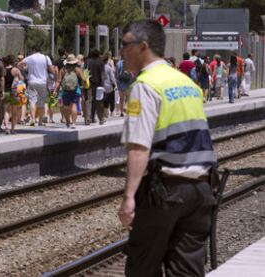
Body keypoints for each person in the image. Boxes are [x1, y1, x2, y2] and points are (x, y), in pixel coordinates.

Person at [118, 19, 217, 277]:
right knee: (186, 270)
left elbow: (139, 147)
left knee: (143, 266)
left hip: (166, 191)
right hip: (201, 191)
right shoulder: (186, 83)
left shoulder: (146, 86)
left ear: (143, 46)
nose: (122, 51)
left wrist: (129, 197)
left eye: (125, 44)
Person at [18, 45, 55, 126]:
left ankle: (33, 119)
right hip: (43, 82)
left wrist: (24, 69)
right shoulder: (46, 57)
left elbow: (19, 64)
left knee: (32, 101)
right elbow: (51, 69)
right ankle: (40, 121)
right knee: (41, 102)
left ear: (33, 50)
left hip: (32, 81)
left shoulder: (30, 58)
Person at [55, 54, 85, 129]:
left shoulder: (63, 69)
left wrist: (56, 90)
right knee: (74, 105)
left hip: (65, 91)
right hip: (76, 90)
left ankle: (68, 121)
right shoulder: (77, 69)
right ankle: (74, 123)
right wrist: (82, 87)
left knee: (65, 106)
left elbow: (58, 81)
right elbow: (83, 79)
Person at [3, 55, 26, 134]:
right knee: (14, 111)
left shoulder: (4, 70)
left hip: (6, 91)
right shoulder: (16, 70)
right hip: (14, 92)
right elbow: (22, 79)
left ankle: (6, 127)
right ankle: (12, 129)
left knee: (6, 110)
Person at [85, 49, 105, 124]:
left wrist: (86, 82)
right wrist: (103, 84)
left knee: (90, 101)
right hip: (98, 84)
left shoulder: (88, 62)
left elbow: (86, 72)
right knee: (99, 101)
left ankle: (90, 118)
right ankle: (100, 118)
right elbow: (102, 74)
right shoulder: (100, 62)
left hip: (90, 83)